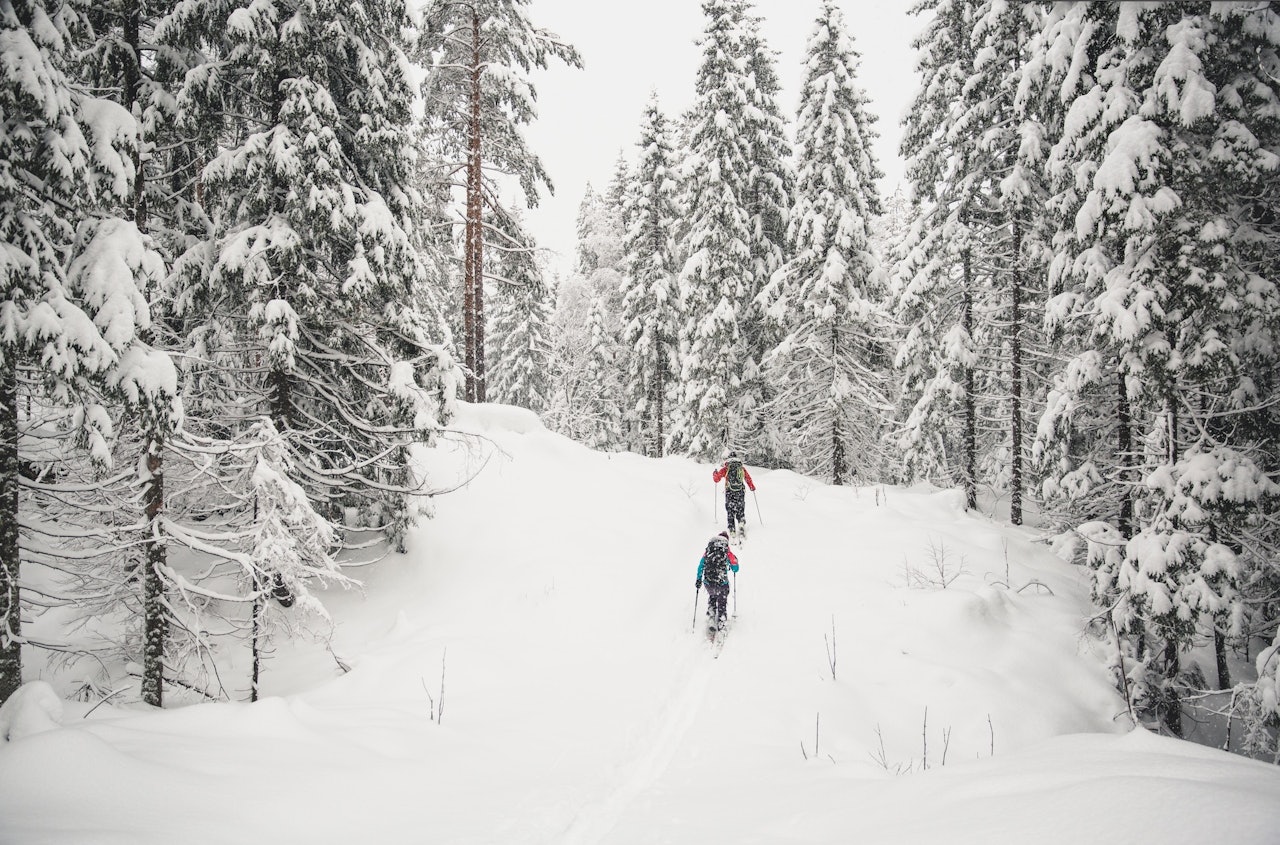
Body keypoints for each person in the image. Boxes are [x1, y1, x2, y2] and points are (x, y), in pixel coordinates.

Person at [696, 531, 739, 639]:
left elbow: (701, 565)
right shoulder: (726, 551)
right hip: (721, 584)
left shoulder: (709, 550)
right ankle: (721, 622)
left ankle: (711, 617)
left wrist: (698, 580)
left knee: (712, 596)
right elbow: (735, 568)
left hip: (708, 583)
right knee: (722, 601)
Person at [712, 450, 756, 539]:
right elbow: (748, 478)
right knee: (740, 507)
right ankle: (741, 522)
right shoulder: (741, 468)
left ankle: (732, 529)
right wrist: (752, 487)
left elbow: (717, 479)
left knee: (730, 510)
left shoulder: (726, 468)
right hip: (740, 491)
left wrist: (715, 474)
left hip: (729, 492)